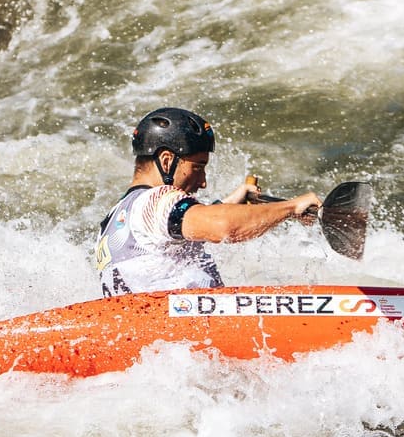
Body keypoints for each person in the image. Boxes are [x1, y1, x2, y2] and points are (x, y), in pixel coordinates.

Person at [93, 107, 321, 296]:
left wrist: (229, 203)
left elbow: (169, 241)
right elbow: (223, 227)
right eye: (198, 167)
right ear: (166, 161)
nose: (203, 182)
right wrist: (290, 207)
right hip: (182, 334)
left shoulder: (117, 215)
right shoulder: (157, 200)